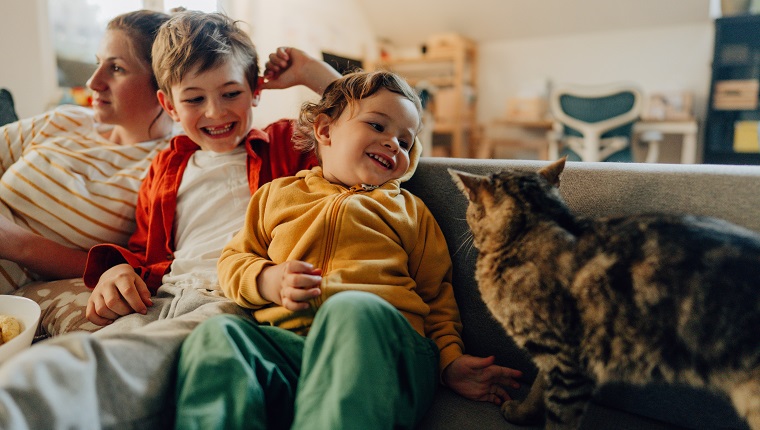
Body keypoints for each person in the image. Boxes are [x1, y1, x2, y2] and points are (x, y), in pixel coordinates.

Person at [0, 11, 341, 429]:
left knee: (96, 368)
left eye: (230, 93)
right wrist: (118, 271)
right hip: (163, 297)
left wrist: (313, 72)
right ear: (169, 104)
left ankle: (19, 403)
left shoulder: (284, 145)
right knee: (94, 348)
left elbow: (363, 124)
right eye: (195, 99)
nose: (215, 112)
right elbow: (146, 250)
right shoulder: (165, 167)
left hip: (233, 299)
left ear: (255, 91)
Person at [173, 70, 524, 430]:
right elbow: (234, 259)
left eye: (405, 142)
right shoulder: (276, 195)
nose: (393, 144)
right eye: (377, 126)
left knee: (351, 308)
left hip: (386, 355)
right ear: (324, 130)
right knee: (218, 334)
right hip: (295, 351)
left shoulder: (410, 211)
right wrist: (267, 279)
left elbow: (437, 297)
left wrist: (450, 361)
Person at [5, 9, 176, 333]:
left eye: (116, 68)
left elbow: (126, 267)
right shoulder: (64, 120)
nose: (93, 82)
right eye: (98, 62)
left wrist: (14, 243)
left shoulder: (164, 168)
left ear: (163, 85)